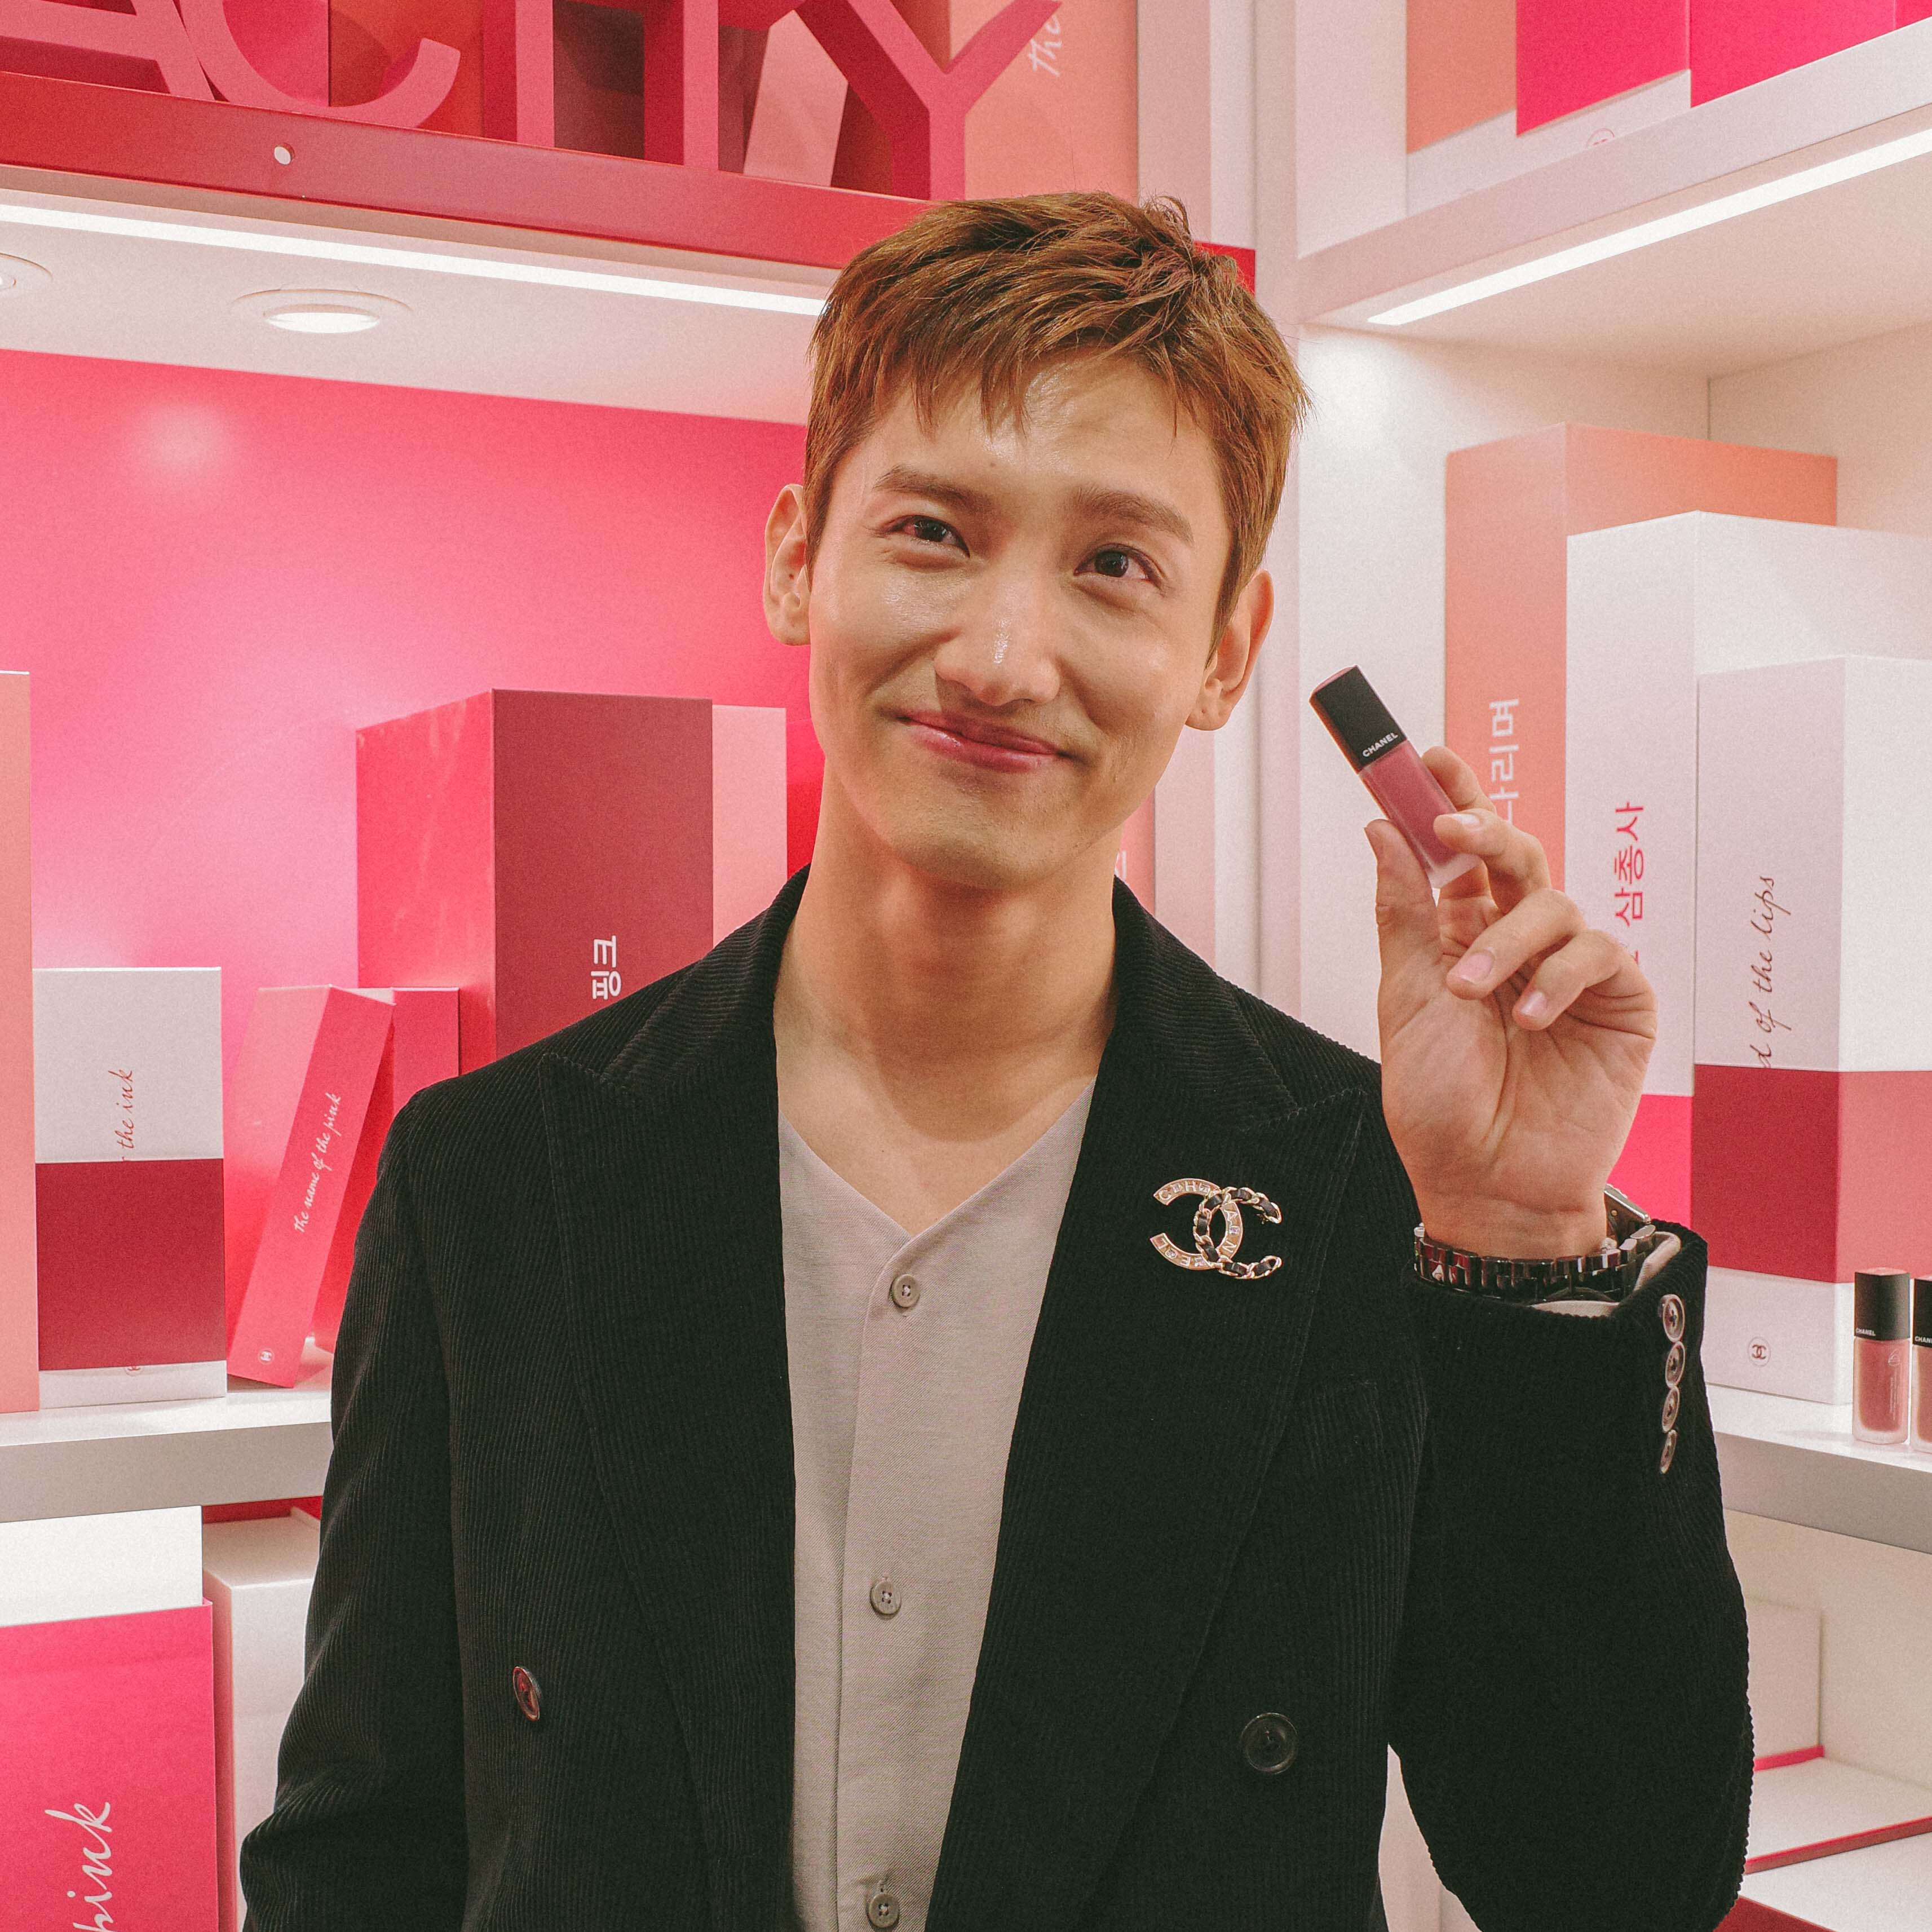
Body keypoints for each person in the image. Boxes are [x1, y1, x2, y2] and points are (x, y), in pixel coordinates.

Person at [241, 192, 1750, 1932]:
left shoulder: (1366, 1186)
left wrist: (1518, 1232)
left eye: (1114, 565)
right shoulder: (496, 1176)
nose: (1001, 658)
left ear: (1223, 650)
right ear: (798, 558)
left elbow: (1611, 1879)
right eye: (933, 531)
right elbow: (361, 1857)